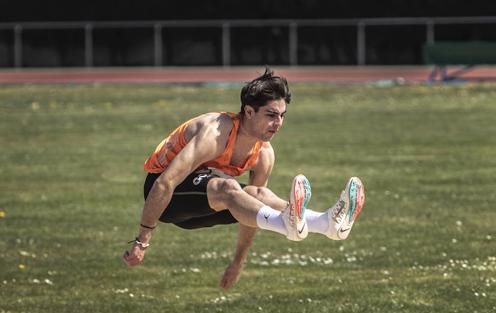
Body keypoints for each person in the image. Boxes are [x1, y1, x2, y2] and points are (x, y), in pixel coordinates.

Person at [123, 68, 365, 289]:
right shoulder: (215, 133)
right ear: (249, 111)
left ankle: (326, 224)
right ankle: (289, 223)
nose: (278, 123)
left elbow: (253, 213)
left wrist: (238, 262)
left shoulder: (264, 154)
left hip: (204, 203)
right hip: (164, 198)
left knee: (259, 195)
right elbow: (164, 183)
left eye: (282, 116)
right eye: (271, 115)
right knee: (227, 187)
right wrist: (142, 240)